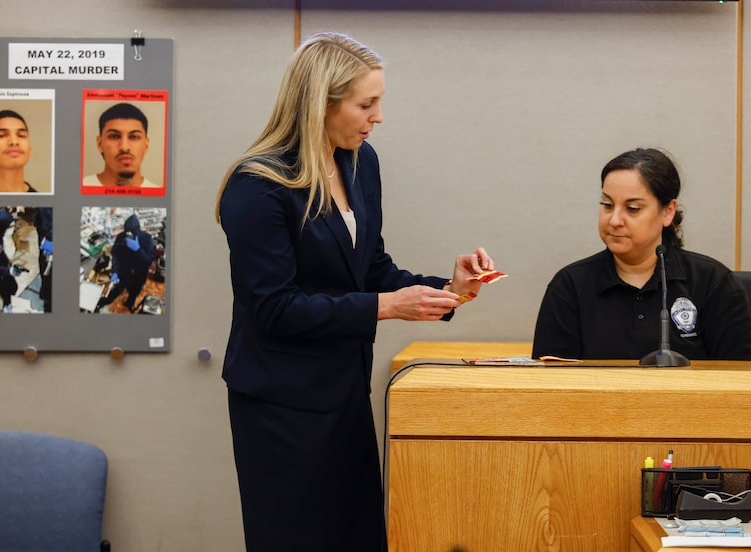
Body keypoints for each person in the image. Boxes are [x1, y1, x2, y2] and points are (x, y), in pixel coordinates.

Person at [215, 32, 494, 552]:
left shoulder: (361, 164)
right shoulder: (256, 186)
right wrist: (388, 308)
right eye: (367, 104)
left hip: (343, 393)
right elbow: (275, 309)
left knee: (356, 535)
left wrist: (449, 289)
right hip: (281, 407)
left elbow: (370, 269)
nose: (378, 116)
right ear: (321, 103)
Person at [532, 147, 751, 361]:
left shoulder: (713, 283)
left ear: (667, 212)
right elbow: (551, 383)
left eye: (632, 209)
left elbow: (740, 377)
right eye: (607, 205)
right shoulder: (570, 286)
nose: (614, 220)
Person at [82, 103, 158, 188]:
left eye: (134, 137)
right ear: (100, 144)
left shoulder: (159, 196)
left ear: (146, 145)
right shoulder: (78, 188)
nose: (124, 147)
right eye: (114, 136)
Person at [95, 213, 155, 313]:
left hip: (138, 275)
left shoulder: (147, 239)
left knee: (134, 292)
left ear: (137, 230)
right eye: (127, 232)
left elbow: (148, 260)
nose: (128, 235)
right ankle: (106, 301)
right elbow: (116, 255)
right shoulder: (121, 237)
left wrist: (138, 249)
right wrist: (115, 271)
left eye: (131, 232)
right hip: (123, 272)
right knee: (116, 290)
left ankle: (129, 303)